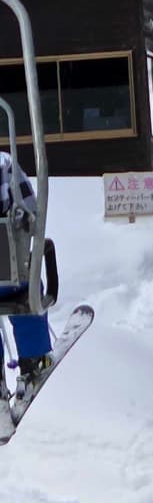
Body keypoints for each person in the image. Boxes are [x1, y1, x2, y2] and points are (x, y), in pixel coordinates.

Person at [0, 150, 52, 380]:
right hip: (7, 275)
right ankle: (34, 359)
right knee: (26, 289)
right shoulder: (5, 165)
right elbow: (31, 212)